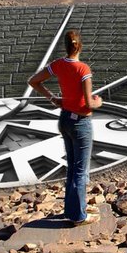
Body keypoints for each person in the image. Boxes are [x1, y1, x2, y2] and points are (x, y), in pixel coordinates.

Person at [28, 29, 103, 226]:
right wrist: (99, 102)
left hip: (65, 120)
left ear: (66, 45)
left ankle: (72, 210)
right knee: (80, 170)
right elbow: (88, 103)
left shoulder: (58, 65)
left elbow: (33, 81)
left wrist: (52, 98)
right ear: (80, 46)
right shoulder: (83, 69)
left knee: (72, 167)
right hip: (81, 123)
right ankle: (79, 216)